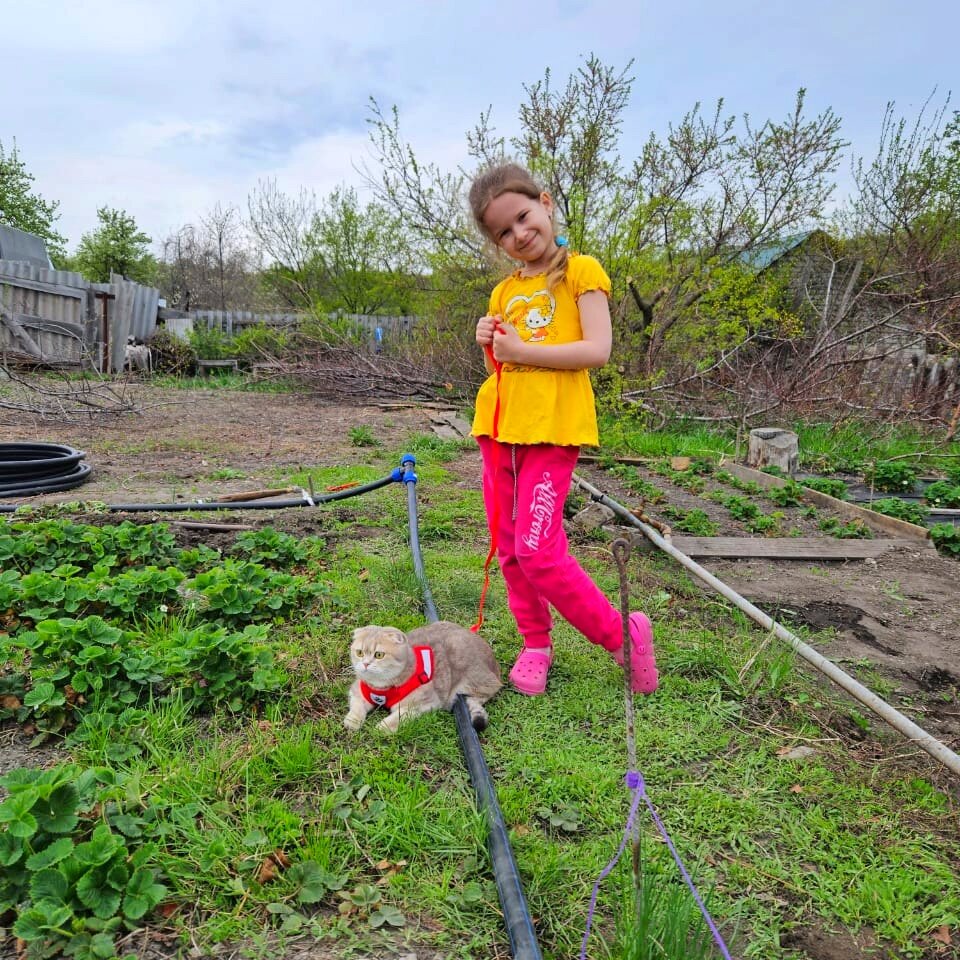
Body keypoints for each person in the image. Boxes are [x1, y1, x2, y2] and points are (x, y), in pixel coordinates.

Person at [468, 162, 658, 697]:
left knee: (538, 549)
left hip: (552, 431)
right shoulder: (504, 291)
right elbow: (504, 373)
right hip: (500, 429)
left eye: (523, 217)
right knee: (508, 548)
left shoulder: (581, 273)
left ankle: (622, 633)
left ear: (546, 204)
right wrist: (489, 343)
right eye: (503, 232)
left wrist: (522, 348)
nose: (519, 234)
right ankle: (535, 643)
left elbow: (597, 350)